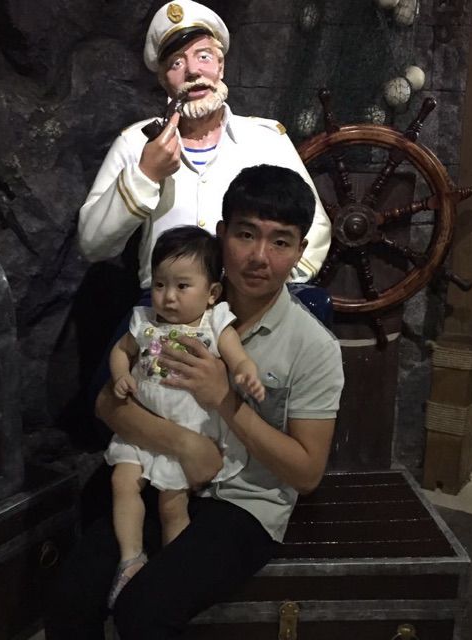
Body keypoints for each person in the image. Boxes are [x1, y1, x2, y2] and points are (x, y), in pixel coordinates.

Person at [44, 164, 344, 640]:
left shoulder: (313, 347)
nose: (259, 257)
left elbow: (307, 474)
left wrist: (224, 398)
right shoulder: (169, 303)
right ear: (222, 234)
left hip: (245, 502)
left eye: (280, 242)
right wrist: (186, 444)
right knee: (69, 599)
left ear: (299, 251)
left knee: (143, 611)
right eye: (246, 234)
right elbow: (106, 403)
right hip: (158, 474)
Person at [77, 0, 331, 291]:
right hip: (168, 307)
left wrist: (269, 289)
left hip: (248, 305)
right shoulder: (135, 143)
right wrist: (145, 175)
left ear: (220, 66)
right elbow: (92, 245)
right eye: (176, 63)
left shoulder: (267, 140)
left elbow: (316, 227)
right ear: (163, 80)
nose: (193, 71)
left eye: (204, 56)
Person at [105, 225, 264, 608]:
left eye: (182, 286)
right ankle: (131, 559)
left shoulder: (214, 323)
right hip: (143, 426)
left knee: (171, 504)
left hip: (191, 431)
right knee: (121, 481)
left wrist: (247, 373)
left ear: (212, 293)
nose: (169, 296)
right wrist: (121, 375)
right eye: (160, 284)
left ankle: (174, 572)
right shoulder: (144, 320)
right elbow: (120, 351)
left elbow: (238, 357)